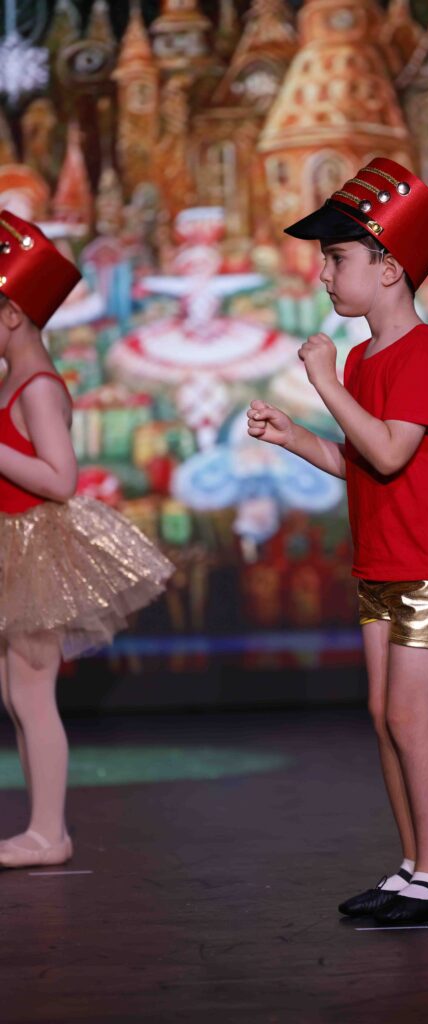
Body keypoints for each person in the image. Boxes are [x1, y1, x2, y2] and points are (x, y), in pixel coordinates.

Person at [248, 158, 428, 923]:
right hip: (382, 560)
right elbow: (359, 461)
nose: (323, 274)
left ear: (388, 268)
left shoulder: (421, 351)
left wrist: (322, 384)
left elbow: (388, 451)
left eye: (336, 258)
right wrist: (295, 437)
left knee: (410, 718)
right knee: (384, 717)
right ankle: (411, 865)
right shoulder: (361, 357)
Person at [0, 210, 174, 869]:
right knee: (18, 693)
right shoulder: (16, 379)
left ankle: (50, 832)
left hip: (34, 548)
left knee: (32, 691)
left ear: (12, 314)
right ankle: (41, 827)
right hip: (13, 542)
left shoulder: (39, 386)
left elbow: (60, 478)